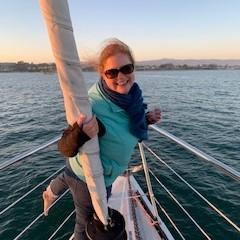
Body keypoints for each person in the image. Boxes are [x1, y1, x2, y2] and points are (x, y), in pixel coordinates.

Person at [43, 38, 161, 240]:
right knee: (86, 222)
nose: (121, 77)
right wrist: (82, 133)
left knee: (66, 175)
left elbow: (124, 126)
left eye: (126, 68)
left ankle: (52, 190)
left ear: (133, 68)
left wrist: (146, 119)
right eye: (112, 72)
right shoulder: (91, 105)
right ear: (102, 74)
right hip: (90, 177)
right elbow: (64, 147)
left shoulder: (133, 98)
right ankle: (55, 190)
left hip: (87, 168)